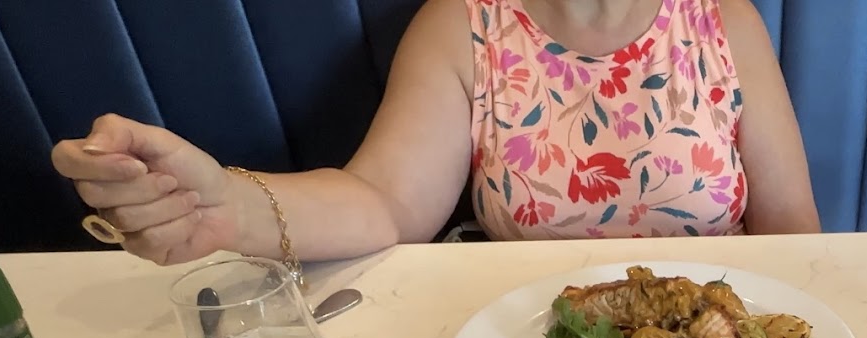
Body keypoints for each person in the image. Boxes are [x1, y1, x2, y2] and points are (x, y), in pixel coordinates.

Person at [50, 0, 820, 268]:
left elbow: (792, 230)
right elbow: (382, 201)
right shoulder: (461, 25)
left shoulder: (726, 22)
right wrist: (222, 206)